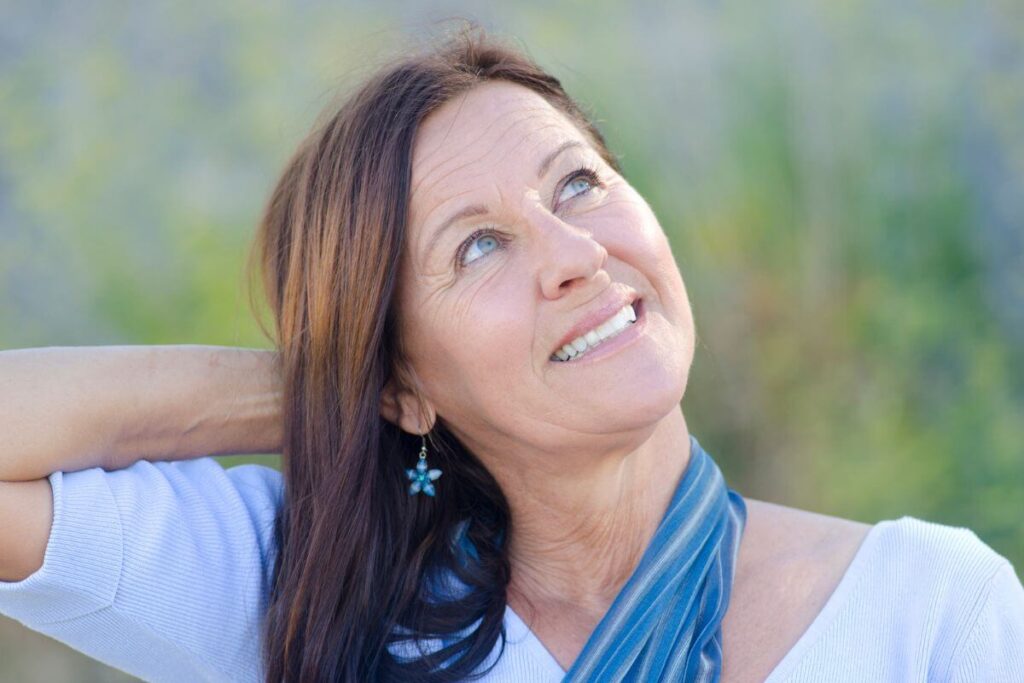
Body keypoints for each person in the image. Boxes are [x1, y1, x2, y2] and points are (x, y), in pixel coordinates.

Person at [1, 25, 1022, 683]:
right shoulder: (311, 595)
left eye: (577, 183)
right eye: (479, 244)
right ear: (398, 372)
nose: (577, 255)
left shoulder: (927, 602)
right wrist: (332, 392)